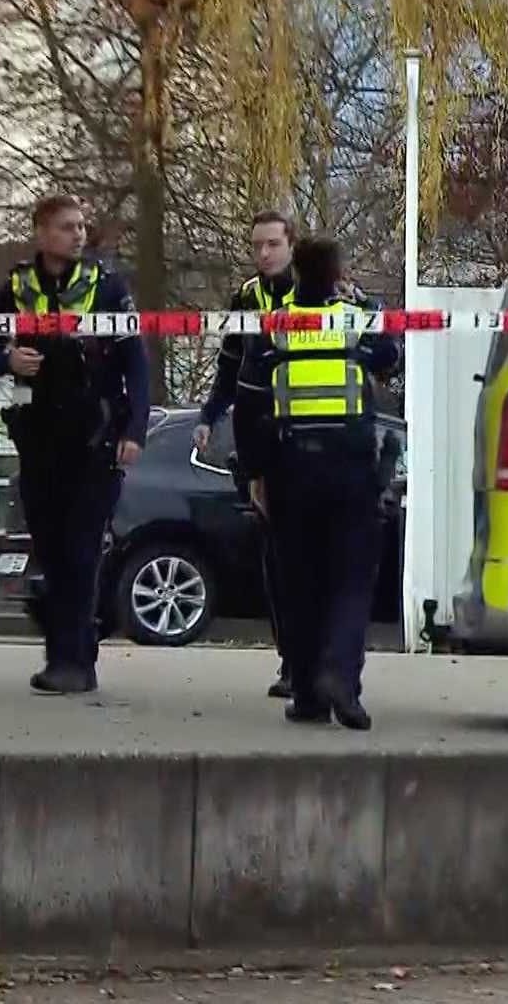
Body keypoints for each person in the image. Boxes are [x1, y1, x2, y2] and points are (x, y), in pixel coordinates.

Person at [0, 193, 150, 694]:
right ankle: (72, 649)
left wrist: (135, 430)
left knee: (81, 549)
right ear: (42, 232)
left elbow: (136, 359)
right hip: (40, 436)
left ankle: (72, 663)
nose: (78, 234)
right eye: (67, 227)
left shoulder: (106, 285)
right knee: (50, 549)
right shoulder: (19, 285)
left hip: (94, 435)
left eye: (81, 226)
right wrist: (7, 361)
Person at [244, 234, 400, 730]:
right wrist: (365, 303)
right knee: (351, 582)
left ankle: (309, 692)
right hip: (350, 469)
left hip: (291, 469)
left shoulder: (275, 324)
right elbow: (389, 356)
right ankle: (341, 680)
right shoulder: (352, 319)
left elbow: (249, 402)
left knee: (300, 584)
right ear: (336, 273)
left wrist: (255, 472)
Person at [195, 209, 299, 699]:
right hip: (258, 438)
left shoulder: (316, 289)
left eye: (273, 244)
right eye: (257, 245)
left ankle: (314, 658)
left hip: (309, 437)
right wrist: (208, 416)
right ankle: (290, 660)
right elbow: (230, 366)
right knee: (277, 558)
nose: (263, 253)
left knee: (309, 557)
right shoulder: (247, 296)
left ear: (291, 245)